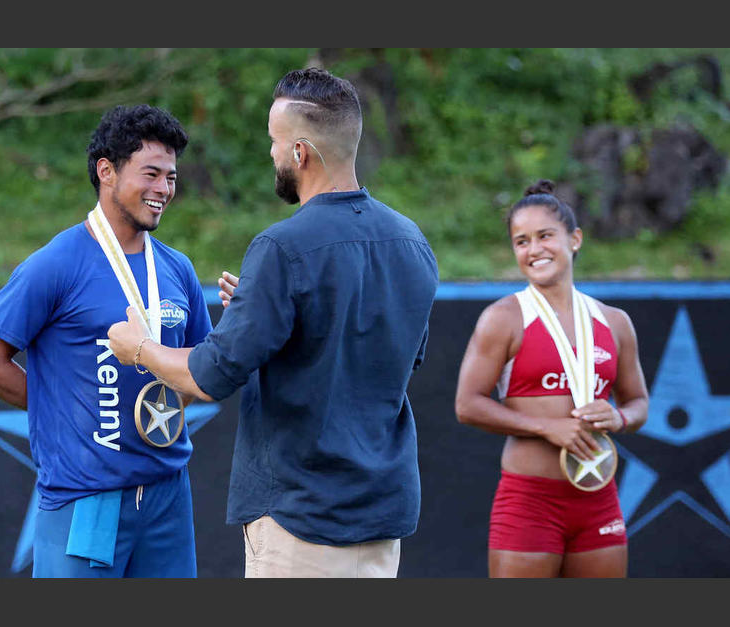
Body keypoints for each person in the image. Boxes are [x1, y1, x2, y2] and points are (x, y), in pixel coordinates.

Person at [107, 67, 439, 578]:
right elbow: (376, 349)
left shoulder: (282, 248)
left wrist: (139, 349)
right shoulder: (413, 242)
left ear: (301, 153)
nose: (272, 154)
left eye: (275, 142)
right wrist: (265, 310)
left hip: (300, 520)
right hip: (381, 521)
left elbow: (208, 377)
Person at [0, 104, 213, 578]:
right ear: (107, 171)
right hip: (87, 499)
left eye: (171, 178)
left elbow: (206, 368)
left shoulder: (176, 269)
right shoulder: (56, 264)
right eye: (151, 174)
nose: (163, 189)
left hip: (167, 496)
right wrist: (64, 411)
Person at [453, 179, 649, 578]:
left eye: (545, 236)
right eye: (521, 241)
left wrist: (620, 418)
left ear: (574, 239)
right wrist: (546, 427)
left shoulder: (614, 323)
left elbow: (639, 403)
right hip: (530, 499)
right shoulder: (504, 318)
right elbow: (467, 405)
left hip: (598, 496)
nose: (534, 249)